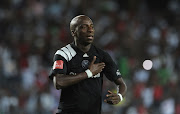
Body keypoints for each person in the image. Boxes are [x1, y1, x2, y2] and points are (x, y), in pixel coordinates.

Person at [49, 15, 127, 114]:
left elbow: (121, 83)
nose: (90, 30)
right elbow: (58, 82)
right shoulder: (64, 54)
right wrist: (89, 73)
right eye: (84, 27)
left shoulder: (102, 56)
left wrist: (119, 96)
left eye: (92, 26)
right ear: (74, 32)